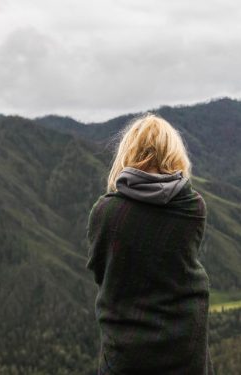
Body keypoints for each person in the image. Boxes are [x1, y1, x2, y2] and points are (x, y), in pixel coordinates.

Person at [86, 113, 212, 374]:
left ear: (127, 153)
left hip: (125, 353)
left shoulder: (106, 211)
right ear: (174, 153)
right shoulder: (193, 207)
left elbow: (102, 271)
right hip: (185, 348)